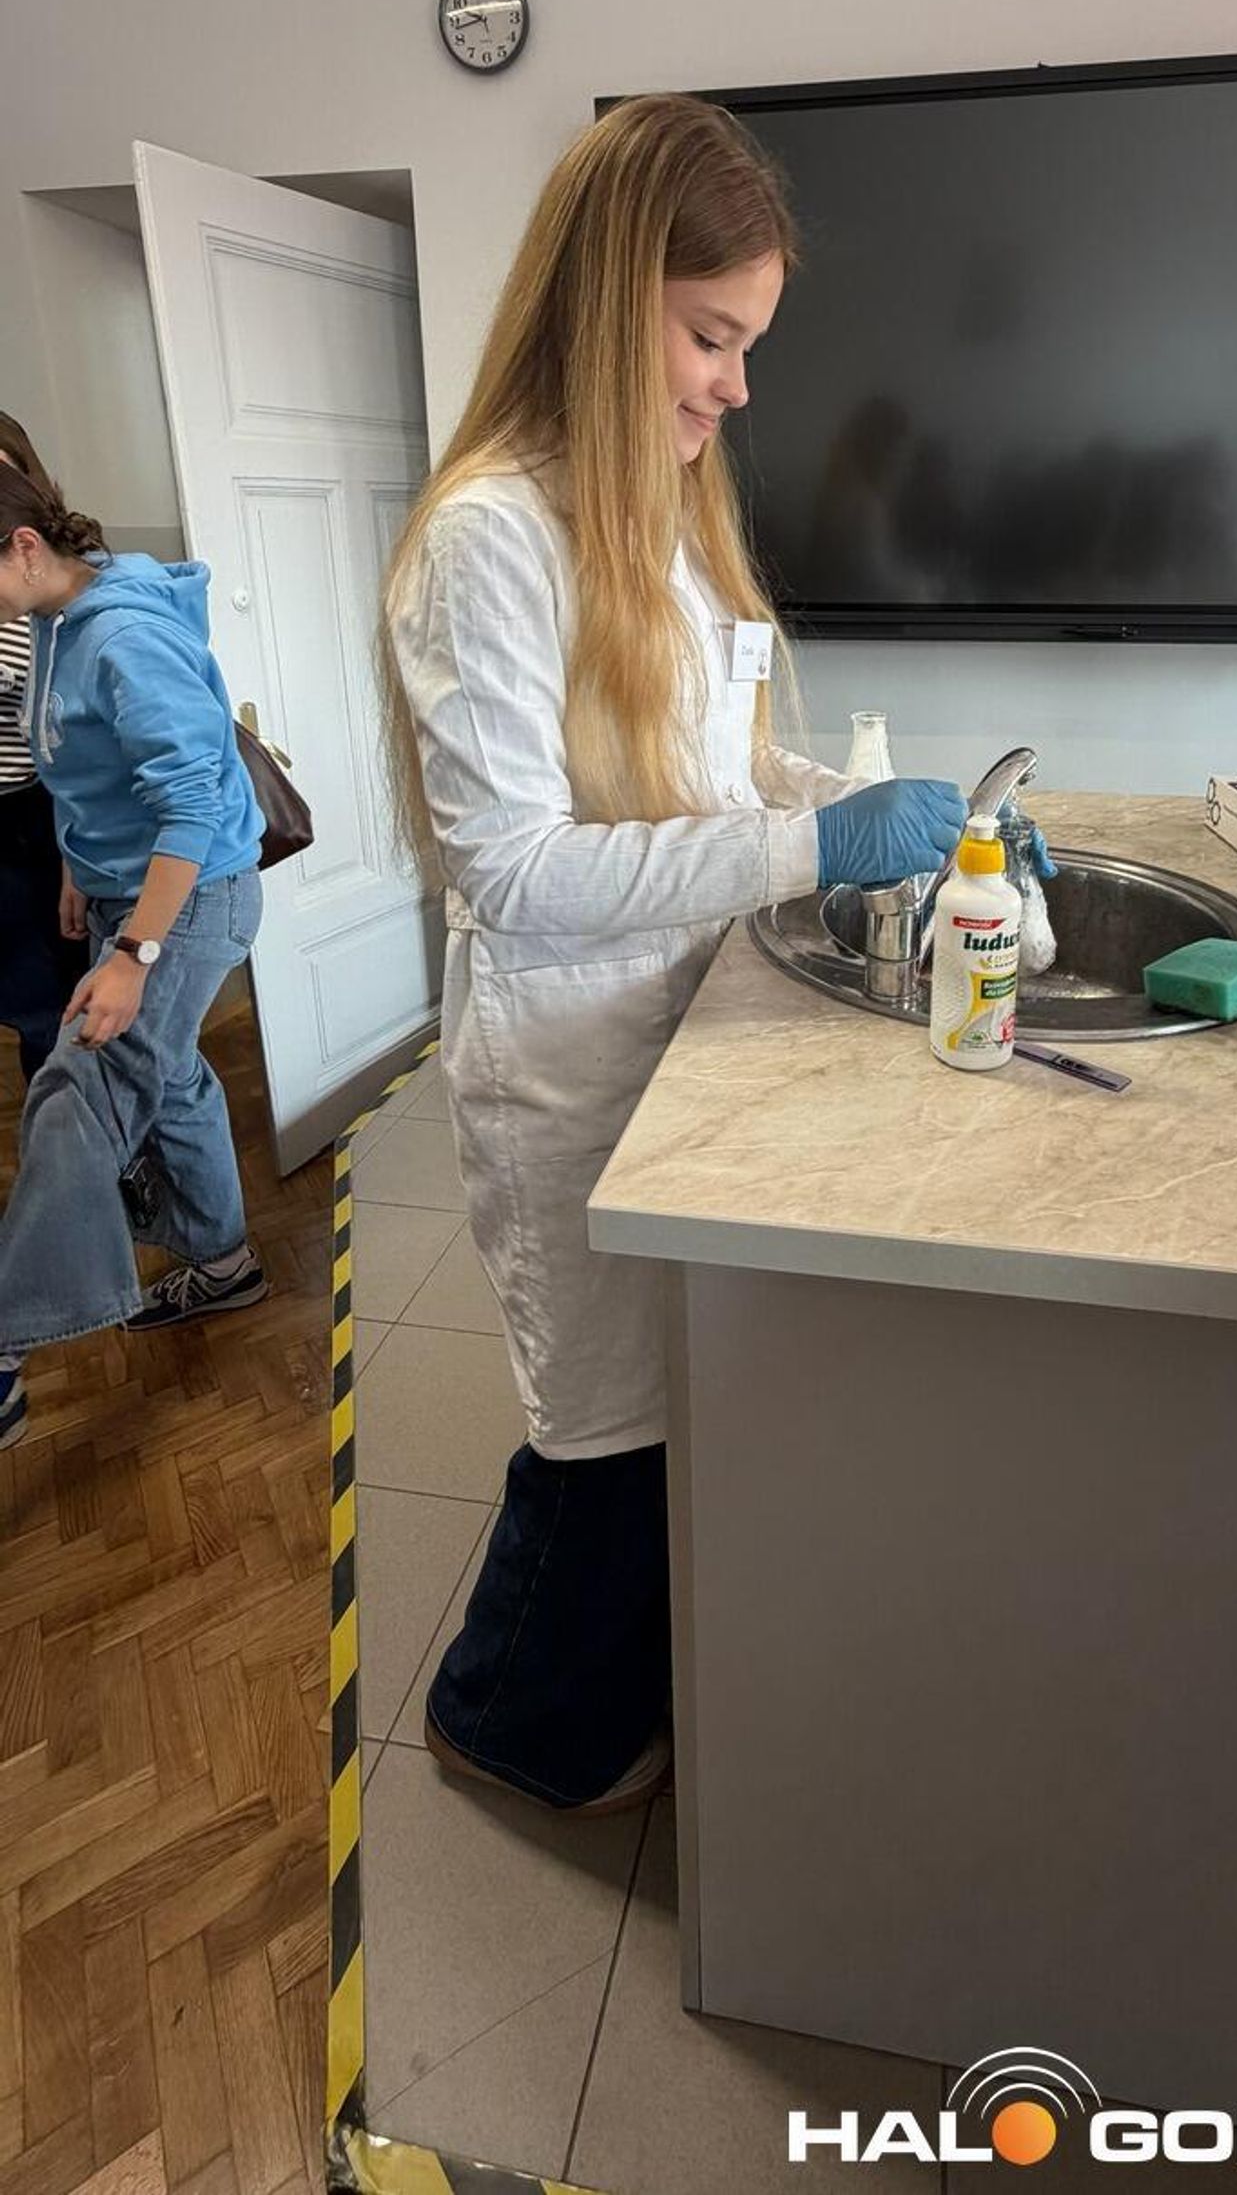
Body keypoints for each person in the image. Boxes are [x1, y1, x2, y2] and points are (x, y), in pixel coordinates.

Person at [382, 92, 965, 1813]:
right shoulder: (493, 535)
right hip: (569, 1062)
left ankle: (612, 1680)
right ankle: (504, 1719)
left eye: (746, 343)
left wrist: (854, 802)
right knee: (601, 1430)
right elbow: (515, 870)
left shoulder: (665, 511)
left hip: (676, 1039)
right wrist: (809, 847)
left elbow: (722, 765)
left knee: (665, 1412)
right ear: (605, 297)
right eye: (711, 335)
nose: (736, 384)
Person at [0, 473, 268, 1453]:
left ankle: (3, 1347)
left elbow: (194, 806)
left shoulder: (122, 634)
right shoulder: (57, 617)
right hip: (128, 892)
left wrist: (133, 955)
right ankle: (223, 1260)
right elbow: (81, 766)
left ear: (25, 546)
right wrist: (80, 867)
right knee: (172, 1073)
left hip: (189, 903)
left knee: (79, 1091)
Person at [0, 416, 90, 1086]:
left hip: (44, 811)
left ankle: (83, 1126)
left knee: (63, 1005)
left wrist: (72, 858)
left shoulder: (52, 596)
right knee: (27, 1006)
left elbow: (74, 738)